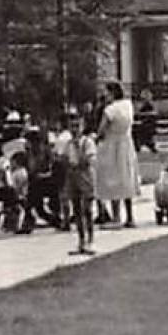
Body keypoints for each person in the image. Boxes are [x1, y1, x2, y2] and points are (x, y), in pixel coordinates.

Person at [95, 82, 139, 227]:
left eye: (106, 92)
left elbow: (101, 130)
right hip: (127, 143)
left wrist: (96, 138)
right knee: (127, 178)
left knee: (113, 179)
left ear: (112, 93)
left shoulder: (110, 110)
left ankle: (116, 217)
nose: (104, 95)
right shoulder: (128, 105)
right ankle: (130, 217)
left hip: (112, 145)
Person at [59, 112, 97, 255]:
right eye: (72, 127)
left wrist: (78, 163)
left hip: (85, 176)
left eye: (77, 126)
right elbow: (64, 159)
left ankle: (90, 240)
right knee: (77, 210)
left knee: (87, 209)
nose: (74, 129)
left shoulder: (87, 142)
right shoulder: (68, 144)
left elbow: (89, 159)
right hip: (72, 177)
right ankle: (81, 240)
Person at [133, 89, 159, 155]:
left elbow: (147, 116)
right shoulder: (147, 106)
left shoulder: (149, 106)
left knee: (135, 132)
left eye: (143, 98)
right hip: (147, 126)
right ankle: (146, 145)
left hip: (147, 127)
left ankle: (140, 146)